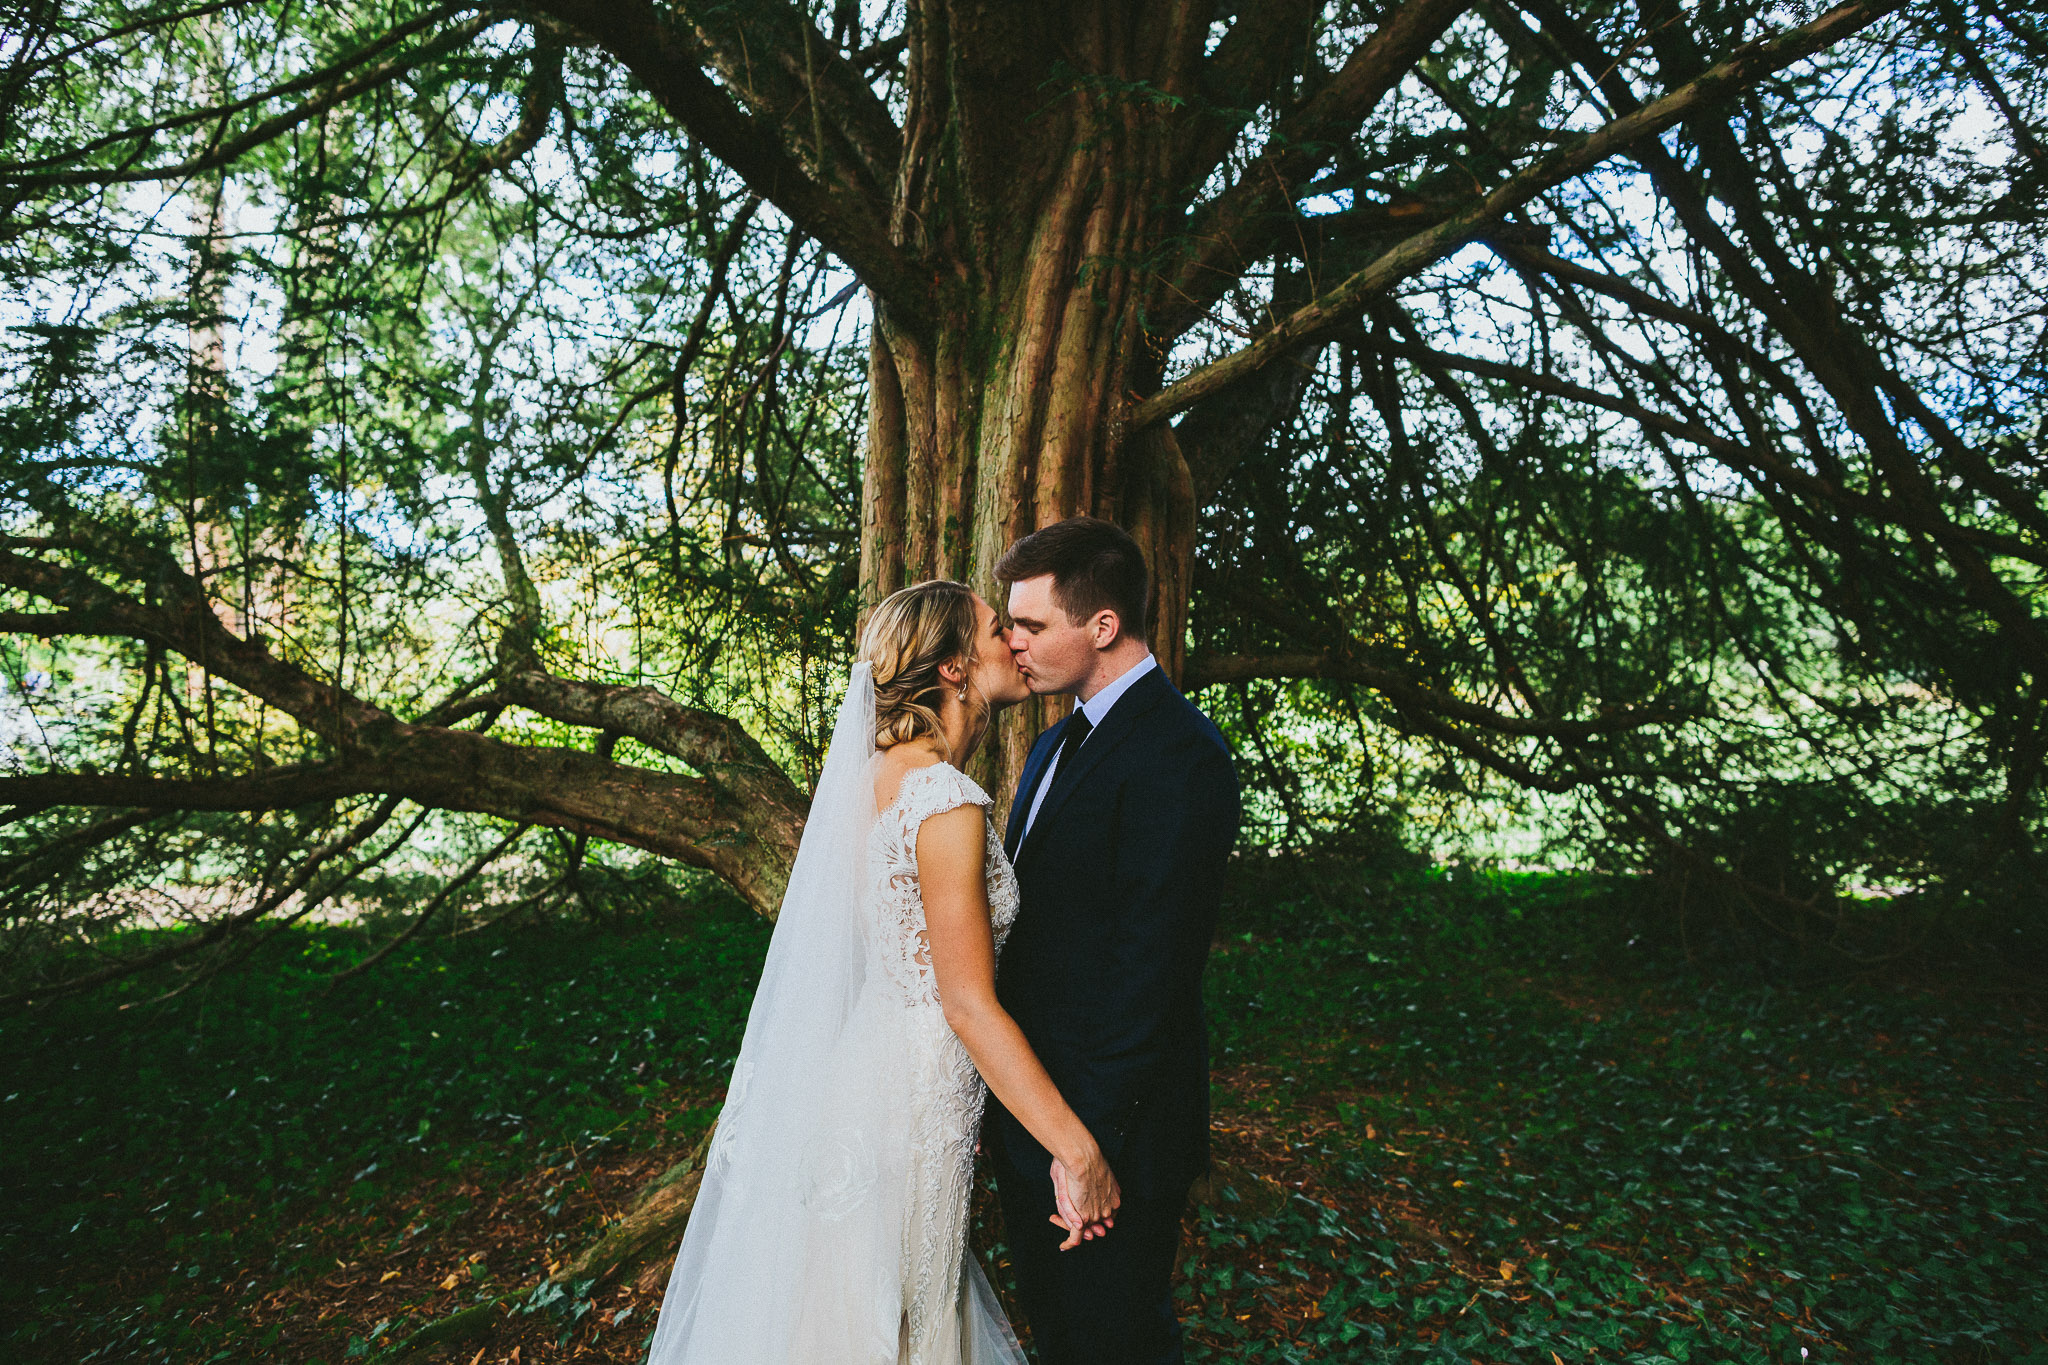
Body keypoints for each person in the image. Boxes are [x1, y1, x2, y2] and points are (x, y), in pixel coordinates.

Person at [645, 579, 1121, 1365]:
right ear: (956, 667)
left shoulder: (877, 778)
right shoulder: (944, 800)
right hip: (915, 1104)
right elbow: (966, 1004)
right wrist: (1078, 1148)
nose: (1017, 640)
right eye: (997, 627)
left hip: (869, 1078)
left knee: (856, 1311)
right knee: (900, 1323)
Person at [990, 516, 1242, 1365]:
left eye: (1030, 624)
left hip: (1115, 1134)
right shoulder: (1054, 743)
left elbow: (1151, 969)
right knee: (1066, 1338)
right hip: (1040, 1119)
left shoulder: (1184, 753)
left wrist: (1083, 1147)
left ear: (1101, 626)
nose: (1011, 640)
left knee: (1119, 1338)